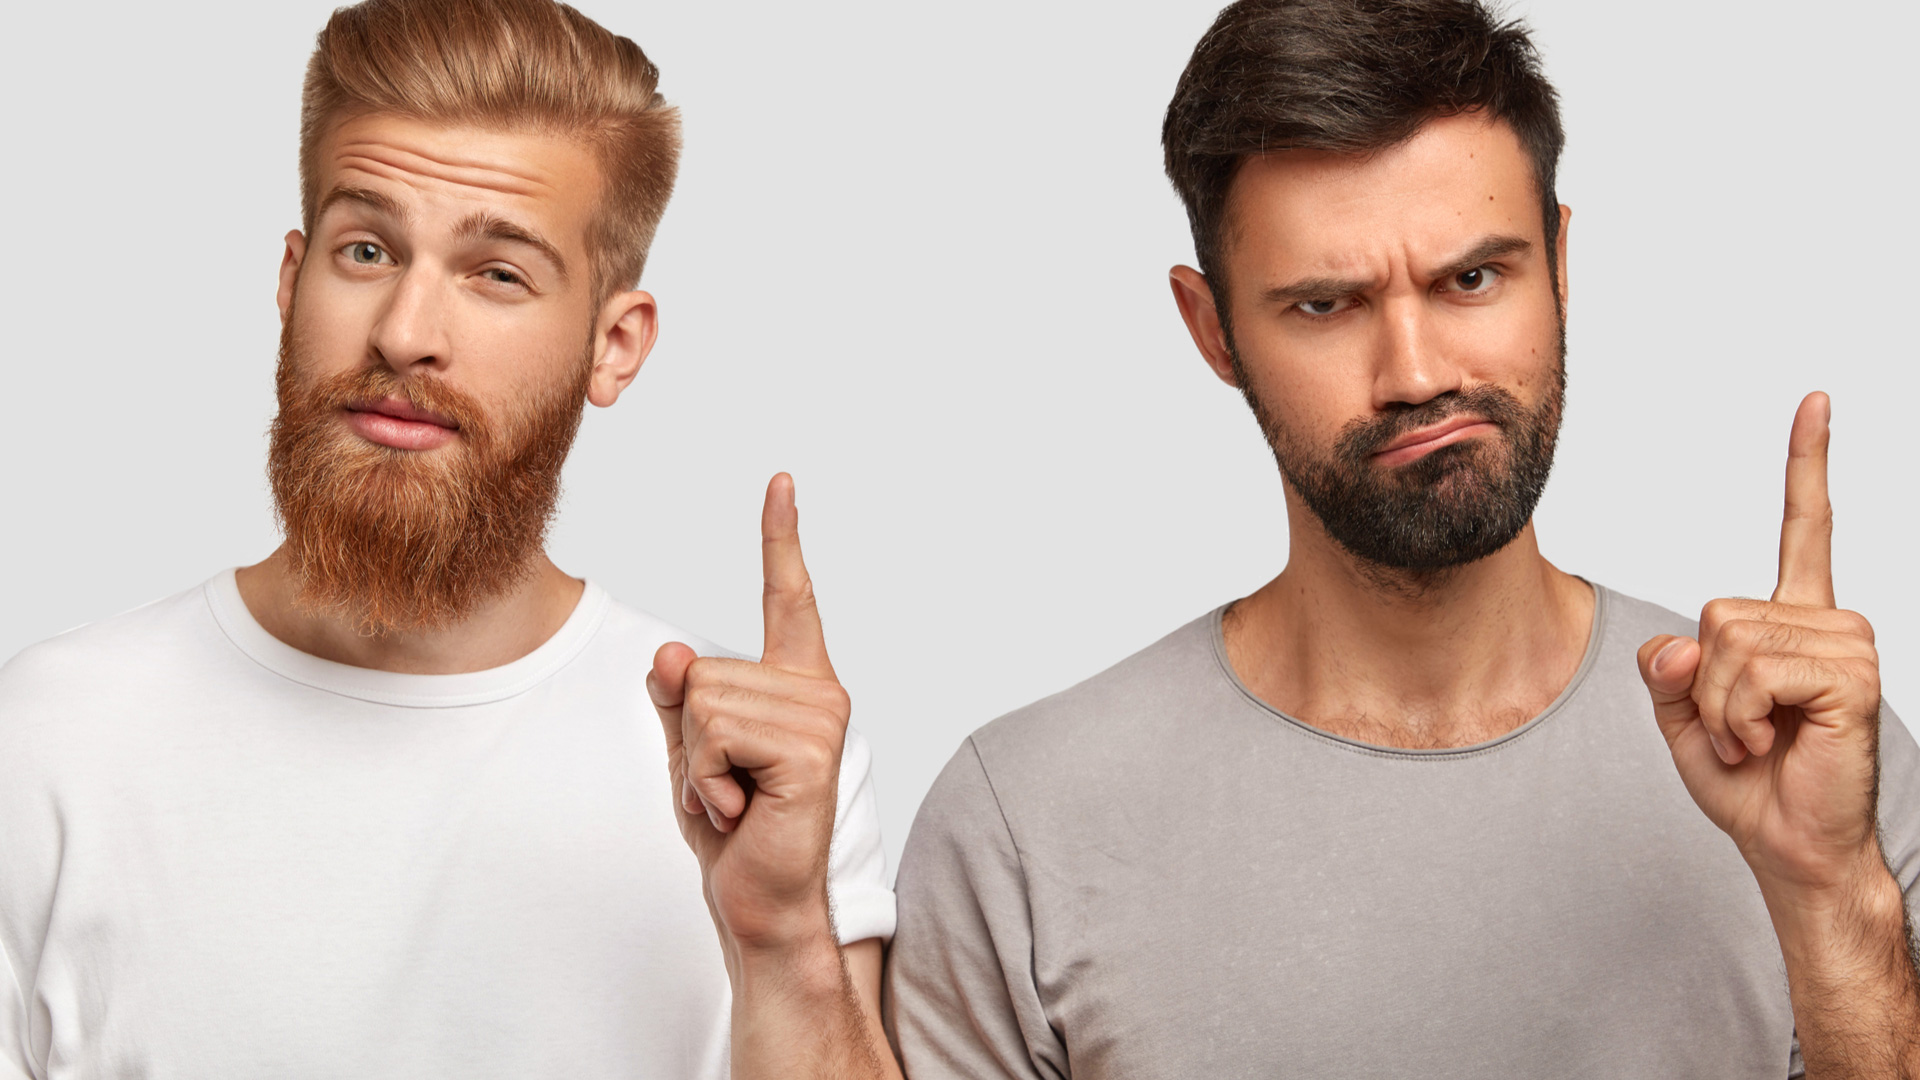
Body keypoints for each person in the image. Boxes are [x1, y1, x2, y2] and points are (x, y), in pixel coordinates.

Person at [883, 0, 1920, 1076]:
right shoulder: (1024, 828)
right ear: (1214, 331)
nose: (1418, 374)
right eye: (1327, 305)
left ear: (1560, 264)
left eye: (1472, 279)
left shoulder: (1812, 759)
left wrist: (1831, 899)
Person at [0, 1, 900, 1076]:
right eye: (367, 249)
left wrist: (786, 942)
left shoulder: (754, 772)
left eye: (498, 273)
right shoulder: (50, 738)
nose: (406, 333)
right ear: (291, 284)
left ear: (614, 346)